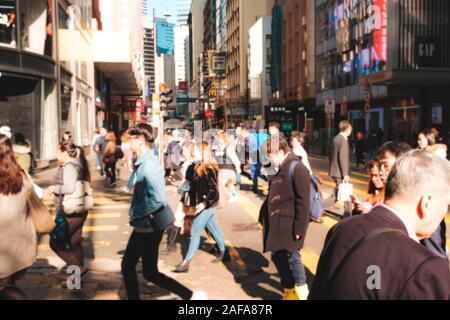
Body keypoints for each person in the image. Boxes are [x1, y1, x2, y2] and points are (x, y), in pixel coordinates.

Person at [309, 150, 450, 300]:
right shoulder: (425, 268)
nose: (444, 211)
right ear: (426, 203)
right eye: (446, 204)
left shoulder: (342, 228)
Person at [121, 123, 205, 300]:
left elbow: (158, 199)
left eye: (132, 139)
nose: (129, 143)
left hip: (149, 225)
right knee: (129, 266)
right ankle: (188, 295)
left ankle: (189, 295)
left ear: (142, 140)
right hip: (144, 224)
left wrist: (136, 211)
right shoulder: (143, 163)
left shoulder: (149, 165)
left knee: (148, 272)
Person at [259, 138, 311, 300]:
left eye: (270, 156)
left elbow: (303, 203)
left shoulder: (298, 168)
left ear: (280, 152)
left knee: (292, 257)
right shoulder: (280, 167)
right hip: (277, 223)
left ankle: (302, 292)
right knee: (277, 256)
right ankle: (289, 291)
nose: (269, 160)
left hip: (289, 225)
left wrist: (299, 229)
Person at [175, 142, 227, 273]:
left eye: (197, 150)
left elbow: (214, 191)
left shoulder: (210, 168)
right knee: (213, 228)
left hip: (207, 205)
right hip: (197, 205)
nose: (194, 152)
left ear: (204, 152)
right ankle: (223, 251)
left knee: (194, 232)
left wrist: (204, 204)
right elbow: (190, 185)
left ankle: (186, 262)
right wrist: (181, 190)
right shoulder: (194, 166)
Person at [44, 140, 91, 285]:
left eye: (57, 151)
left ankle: (78, 269)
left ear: (64, 153)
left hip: (69, 211)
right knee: (74, 243)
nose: (56, 154)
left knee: (55, 242)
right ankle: (74, 282)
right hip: (79, 209)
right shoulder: (78, 163)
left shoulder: (70, 166)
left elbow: (69, 188)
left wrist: (54, 189)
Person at [0, 129, 37, 300]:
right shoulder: (21, 175)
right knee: (8, 283)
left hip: (4, 241)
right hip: (21, 237)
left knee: (4, 286)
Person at [322, 121, 353, 217]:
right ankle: (348, 213)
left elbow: (330, 155)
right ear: (347, 129)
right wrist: (345, 174)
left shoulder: (335, 139)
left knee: (339, 193)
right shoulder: (343, 140)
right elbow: (343, 158)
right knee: (342, 193)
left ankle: (348, 213)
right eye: (350, 129)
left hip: (335, 170)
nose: (351, 131)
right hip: (340, 172)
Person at [215, 131, 241, 204]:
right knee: (229, 184)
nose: (219, 139)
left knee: (221, 183)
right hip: (221, 168)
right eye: (218, 137)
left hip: (227, 168)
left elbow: (234, 158)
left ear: (224, 138)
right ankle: (234, 196)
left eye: (220, 138)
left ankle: (219, 198)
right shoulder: (218, 147)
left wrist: (238, 167)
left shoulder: (228, 147)